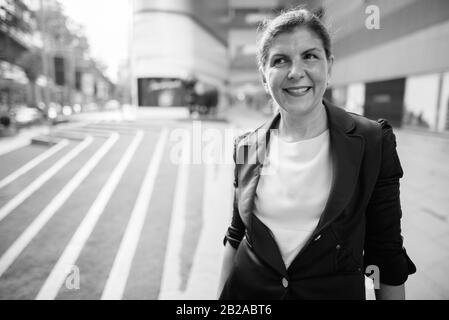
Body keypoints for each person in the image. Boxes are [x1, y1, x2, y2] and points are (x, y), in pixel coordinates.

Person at [218, 7, 416, 300]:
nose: (296, 72)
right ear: (264, 76)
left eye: (309, 56)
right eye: (280, 60)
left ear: (329, 66)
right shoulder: (246, 147)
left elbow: (385, 254)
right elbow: (237, 237)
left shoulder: (372, 141)